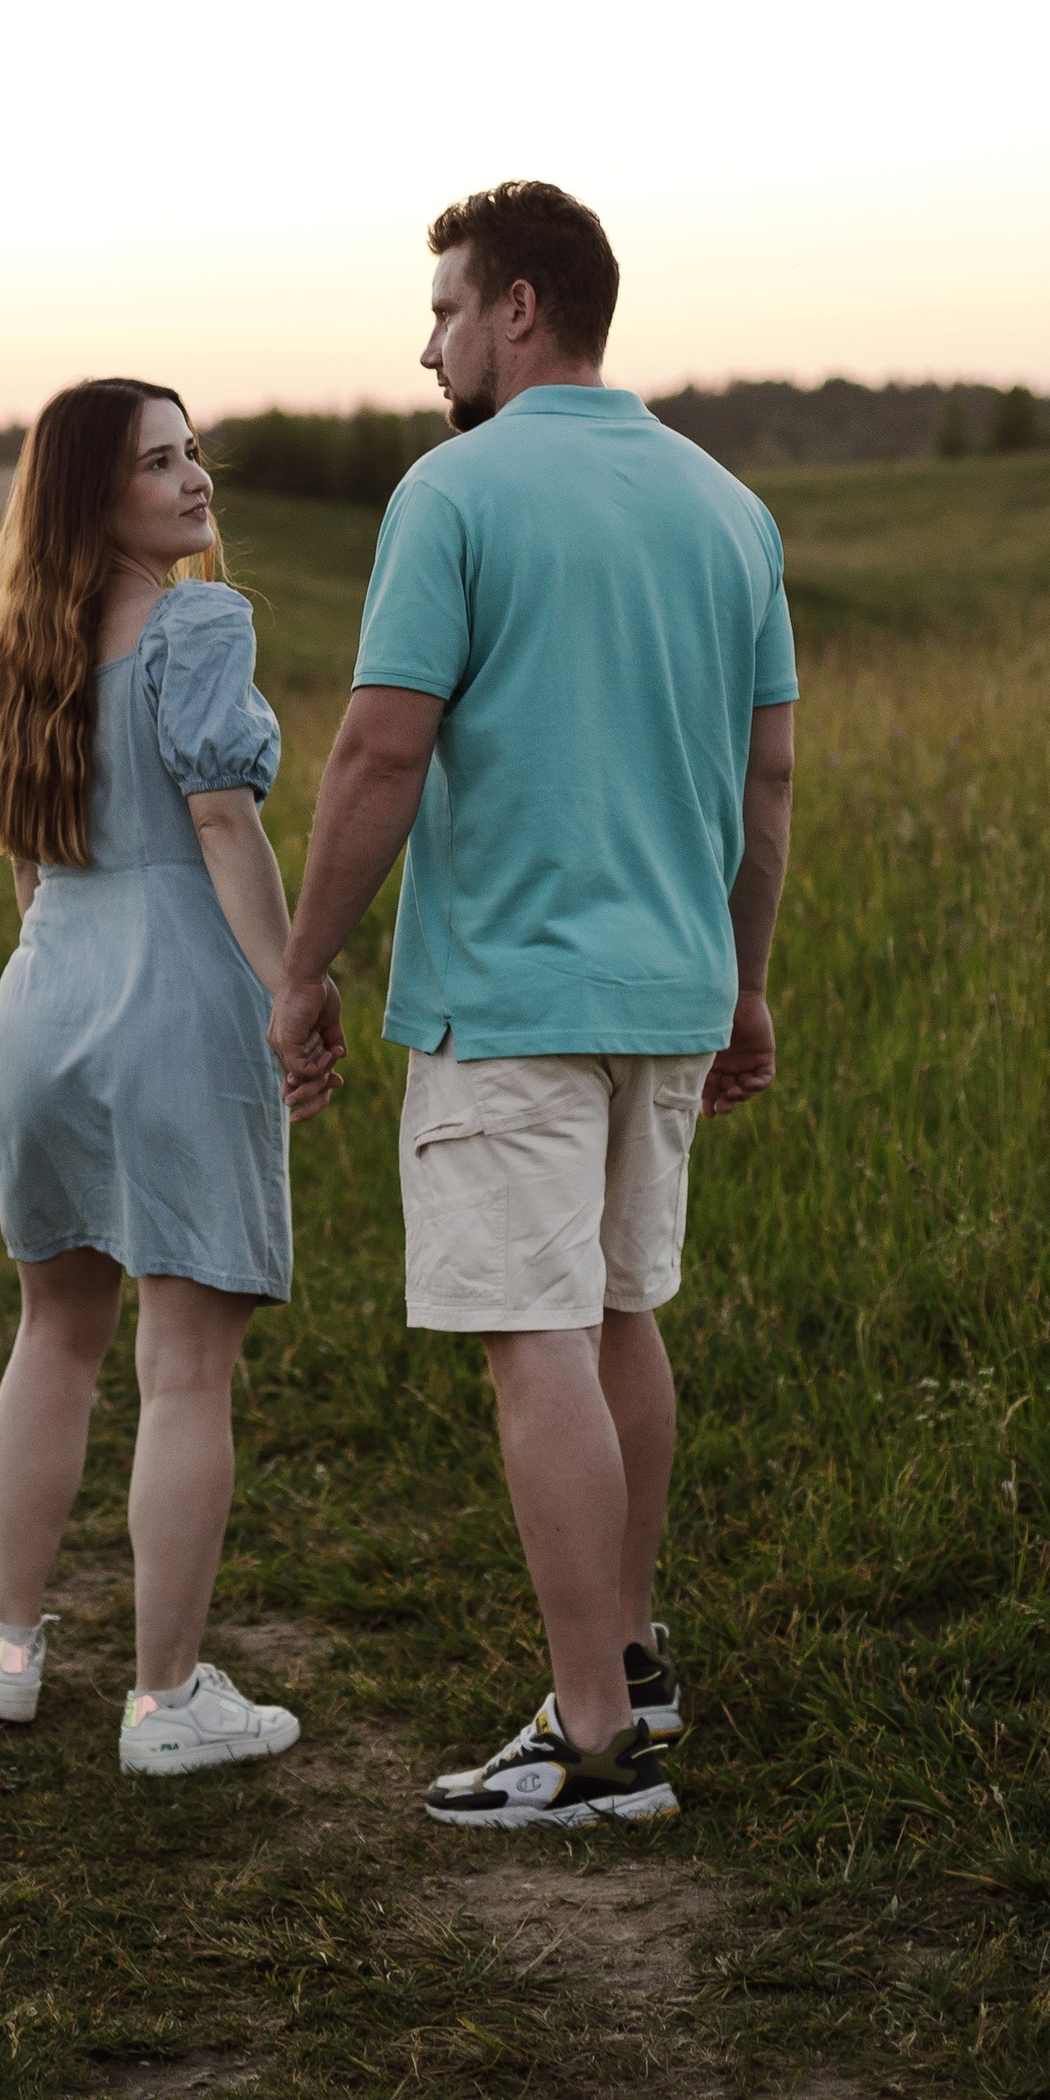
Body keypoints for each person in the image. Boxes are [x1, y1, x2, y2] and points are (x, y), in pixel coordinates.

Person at [267, 182, 796, 1830]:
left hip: (511, 993)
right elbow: (768, 777)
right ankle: (630, 1658)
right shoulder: (728, 508)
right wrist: (749, 982)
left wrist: (303, 967)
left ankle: (588, 1745)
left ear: (516, 308)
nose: (426, 346)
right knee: (623, 1312)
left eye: (442, 310)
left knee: (537, 1339)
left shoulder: (456, 492)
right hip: (673, 988)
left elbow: (379, 746)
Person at [0, 377, 328, 1777]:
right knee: (186, 1369)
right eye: (159, 464)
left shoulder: (22, 657)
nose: (194, 479)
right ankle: (167, 1703)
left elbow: (38, 869)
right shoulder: (197, 623)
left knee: (55, 1332)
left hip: (44, 1000)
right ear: (95, 500)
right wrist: (296, 985)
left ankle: (9, 1644)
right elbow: (222, 819)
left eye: (193, 452)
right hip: (173, 995)